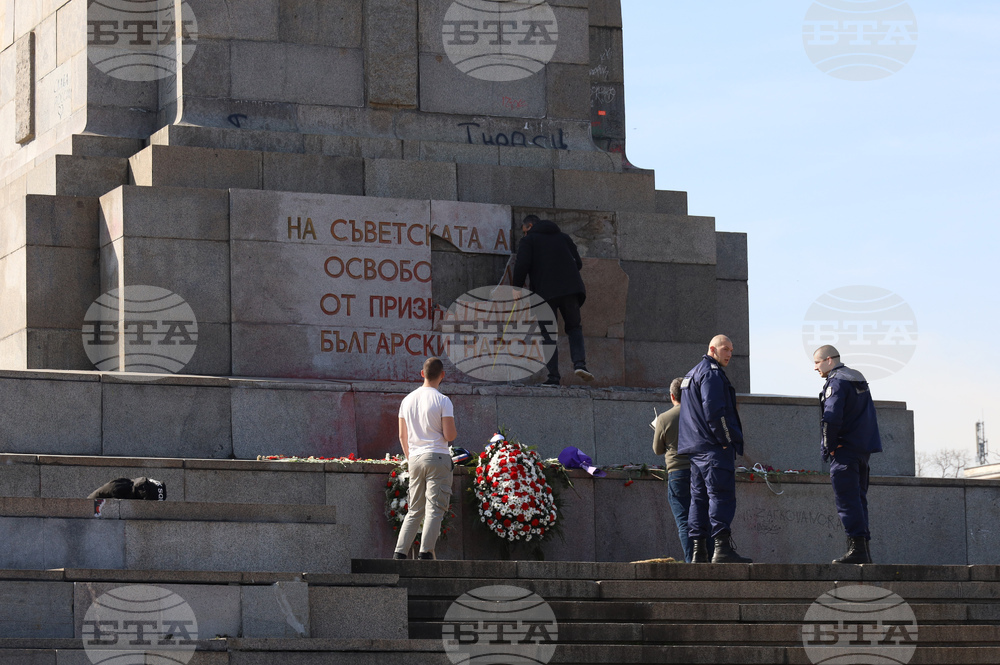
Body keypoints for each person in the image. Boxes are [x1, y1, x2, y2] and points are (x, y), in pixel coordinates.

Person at [678, 335, 752, 563]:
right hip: (713, 449)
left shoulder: (691, 374)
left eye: (731, 349)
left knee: (698, 499)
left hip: (696, 448)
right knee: (721, 495)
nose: (729, 353)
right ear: (712, 349)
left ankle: (699, 551)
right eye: (725, 349)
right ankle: (721, 548)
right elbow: (714, 411)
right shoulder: (711, 373)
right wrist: (725, 439)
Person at [813, 345, 882, 564]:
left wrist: (829, 447)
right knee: (859, 500)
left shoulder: (836, 381)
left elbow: (831, 417)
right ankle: (863, 550)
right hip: (862, 450)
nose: (815, 368)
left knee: (847, 500)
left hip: (845, 451)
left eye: (817, 362)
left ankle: (857, 549)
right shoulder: (857, 378)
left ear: (829, 360)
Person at [512, 214, 593, 386]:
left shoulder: (529, 241)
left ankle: (554, 377)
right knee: (574, 328)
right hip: (570, 290)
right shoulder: (564, 238)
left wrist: (516, 288)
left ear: (530, 226)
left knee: (548, 334)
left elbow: (522, 265)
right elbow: (577, 263)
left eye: (525, 231)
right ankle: (580, 364)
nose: (524, 235)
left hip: (544, 292)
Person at [393, 357, 458, 560]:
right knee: (435, 508)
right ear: (442, 375)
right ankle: (426, 552)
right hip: (437, 456)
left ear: (422, 373)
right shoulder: (442, 400)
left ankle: (400, 552)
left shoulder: (407, 400)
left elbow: (402, 436)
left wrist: (410, 458)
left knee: (415, 509)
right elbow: (449, 436)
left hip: (415, 458)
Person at [652, 377, 693, 562]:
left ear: (671, 396)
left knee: (684, 522)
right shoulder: (697, 415)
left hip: (677, 473)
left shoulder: (664, 418)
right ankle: (706, 560)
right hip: (699, 473)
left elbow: (657, 450)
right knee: (703, 519)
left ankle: (691, 561)